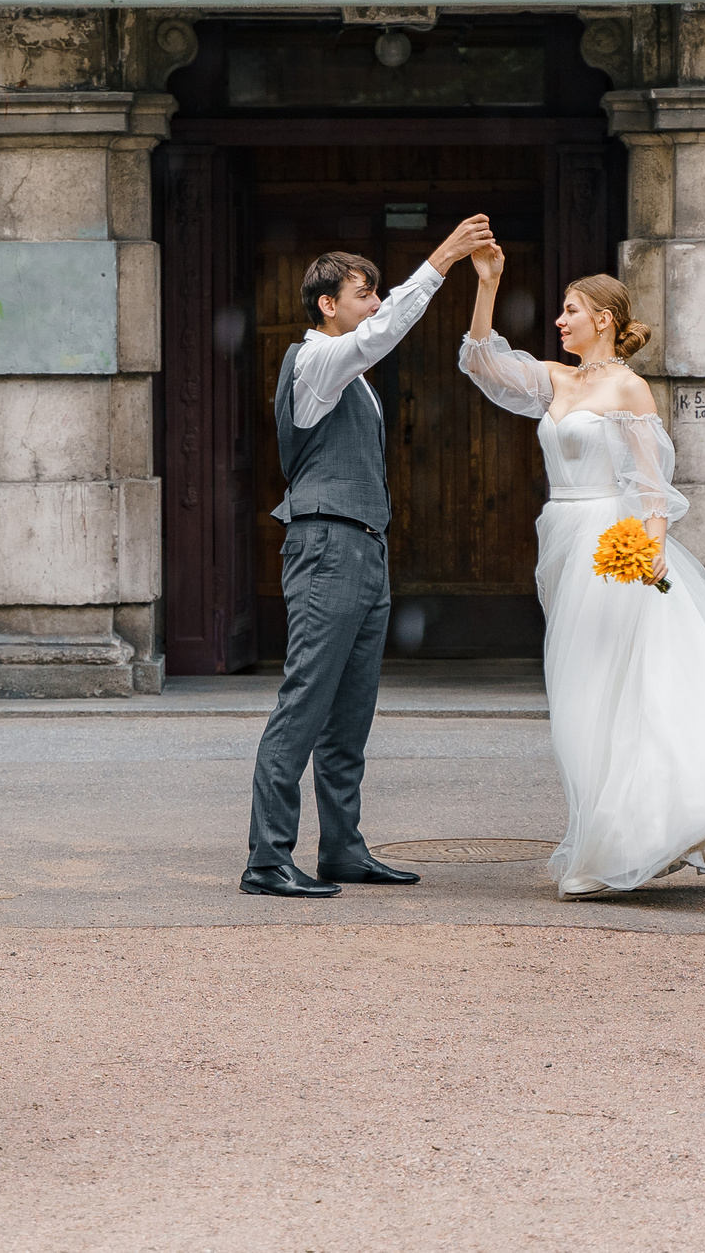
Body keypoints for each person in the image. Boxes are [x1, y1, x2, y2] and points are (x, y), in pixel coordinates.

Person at [456, 247, 705, 896]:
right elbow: (485, 363)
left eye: (570, 310)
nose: (558, 320)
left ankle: (616, 843)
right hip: (562, 540)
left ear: (603, 319)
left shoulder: (628, 388)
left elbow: (651, 479)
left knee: (608, 694)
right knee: (578, 695)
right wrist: (487, 284)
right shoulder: (555, 378)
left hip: (612, 543)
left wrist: (651, 541)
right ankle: (616, 832)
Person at [241, 214, 496, 899]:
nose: (375, 304)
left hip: (362, 547)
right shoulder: (319, 358)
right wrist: (444, 256)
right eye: (364, 293)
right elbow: (385, 333)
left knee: (350, 710)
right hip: (326, 545)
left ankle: (343, 849)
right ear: (328, 304)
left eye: (378, 292)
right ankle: (267, 857)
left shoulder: (352, 378)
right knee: (304, 702)